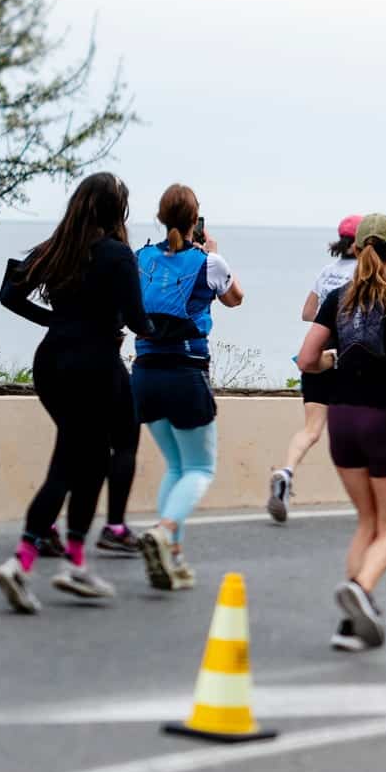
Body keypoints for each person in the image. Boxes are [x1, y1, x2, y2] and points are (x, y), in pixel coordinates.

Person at [0, 173, 152, 613]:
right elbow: (137, 321)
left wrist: (56, 322)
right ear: (117, 211)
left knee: (91, 456)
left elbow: (9, 295)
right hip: (95, 365)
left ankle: (76, 562)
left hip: (52, 363)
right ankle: (21, 562)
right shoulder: (117, 254)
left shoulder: (55, 248)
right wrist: (162, 328)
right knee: (73, 461)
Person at [297, 213, 386, 651]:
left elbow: (307, 360)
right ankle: (362, 588)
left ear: (355, 249)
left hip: (342, 420)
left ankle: (350, 627)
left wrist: (334, 360)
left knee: (367, 522)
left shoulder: (338, 298)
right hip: (384, 418)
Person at [131, 185, 244, 592]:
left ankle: (173, 556)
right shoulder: (208, 261)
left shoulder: (141, 257)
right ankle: (164, 531)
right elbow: (235, 299)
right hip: (185, 372)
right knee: (199, 468)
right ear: (195, 220)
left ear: (161, 218)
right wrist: (212, 252)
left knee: (176, 467)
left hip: (144, 373)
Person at [266, 214, 361, 523]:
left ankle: (286, 471)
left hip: (316, 353)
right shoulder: (363, 273)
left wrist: (326, 316)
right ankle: (371, 497)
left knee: (311, 430)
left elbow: (308, 313)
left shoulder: (326, 271)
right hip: (346, 356)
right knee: (360, 425)